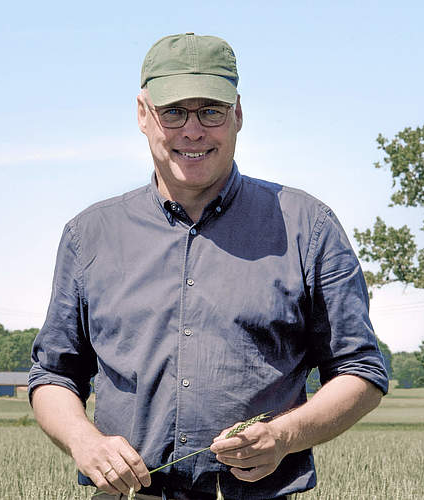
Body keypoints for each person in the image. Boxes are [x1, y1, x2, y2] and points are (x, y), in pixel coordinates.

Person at [29, 33, 389, 500]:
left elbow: (361, 371)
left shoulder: (307, 226)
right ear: (143, 114)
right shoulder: (89, 235)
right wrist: (85, 443)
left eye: (210, 111)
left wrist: (285, 436)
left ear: (237, 114)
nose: (192, 131)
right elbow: (53, 375)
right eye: (173, 111)